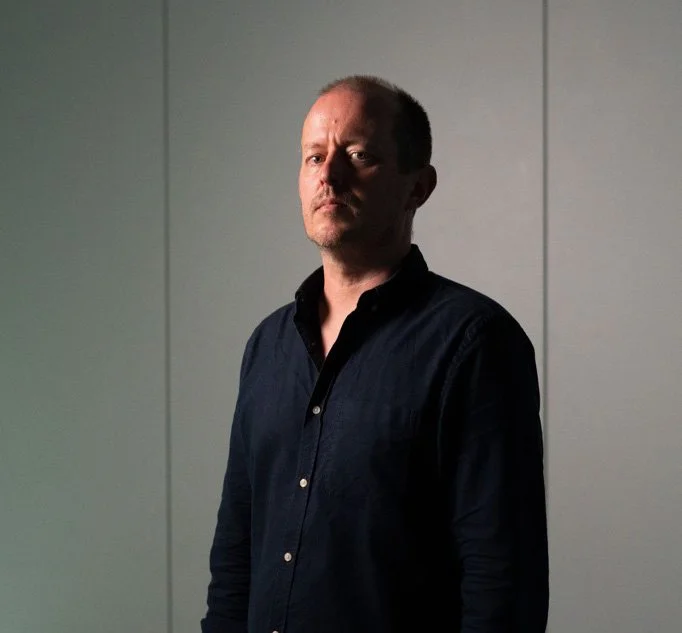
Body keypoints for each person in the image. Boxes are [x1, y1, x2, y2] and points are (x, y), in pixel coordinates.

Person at [201, 75, 548, 633]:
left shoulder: (475, 342)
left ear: (418, 187)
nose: (329, 176)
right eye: (314, 156)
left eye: (359, 155)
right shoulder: (267, 346)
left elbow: (502, 580)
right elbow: (235, 557)